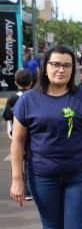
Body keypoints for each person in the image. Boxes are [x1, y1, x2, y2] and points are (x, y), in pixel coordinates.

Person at [9, 45, 82, 228]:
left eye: (67, 65)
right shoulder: (28, 99)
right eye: (55, 64)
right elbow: (18, 141)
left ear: (73, 69)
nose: (61, 69)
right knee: (51, 226)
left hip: (79, 175)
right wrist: (17, 179)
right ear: (45, 67)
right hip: (42, 176)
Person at [3, 69, 33, 201]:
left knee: (17, 159)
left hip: (17, 133)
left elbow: (7, 115)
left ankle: (21, 186)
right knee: (29, 159)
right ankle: (29, 189)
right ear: (31, 82)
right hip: (33, 133)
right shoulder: (35, 96)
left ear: (16, 82)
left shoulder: (13, 98)